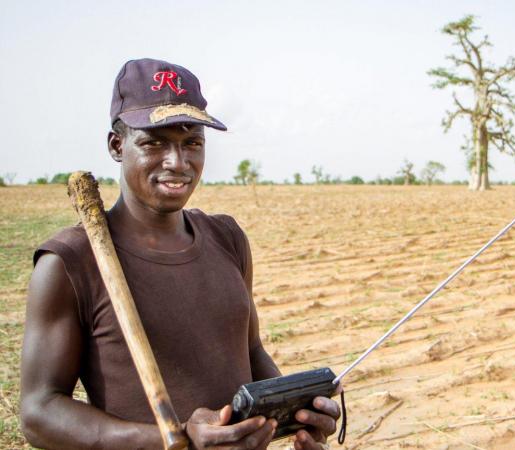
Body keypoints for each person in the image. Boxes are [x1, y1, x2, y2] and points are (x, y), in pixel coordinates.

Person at [20, 58, 340, 450]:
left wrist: (293, 413)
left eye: (192, 143)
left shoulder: (227, 238)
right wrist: (176, 439)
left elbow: (251, 351)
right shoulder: (71, 262)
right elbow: (39, 413)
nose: (177, 162)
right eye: (154, 142)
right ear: (117, 145)